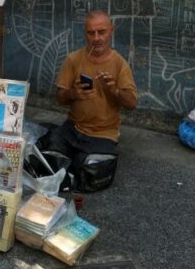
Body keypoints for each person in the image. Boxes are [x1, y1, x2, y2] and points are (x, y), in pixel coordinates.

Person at [47, 11, 137, 188]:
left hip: (103, 132)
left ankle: (78, 163)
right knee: (47, 159)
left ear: (111, 31)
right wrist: (74, 94)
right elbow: (59, 98)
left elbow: (132, 103)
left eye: (101, 32)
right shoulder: (73, 59)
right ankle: (71, 163)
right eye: (91, 33)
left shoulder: (119, 64)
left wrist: (115, 91)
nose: (96, 38)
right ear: (85, 33)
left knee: (92, 171)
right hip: (73, 128)